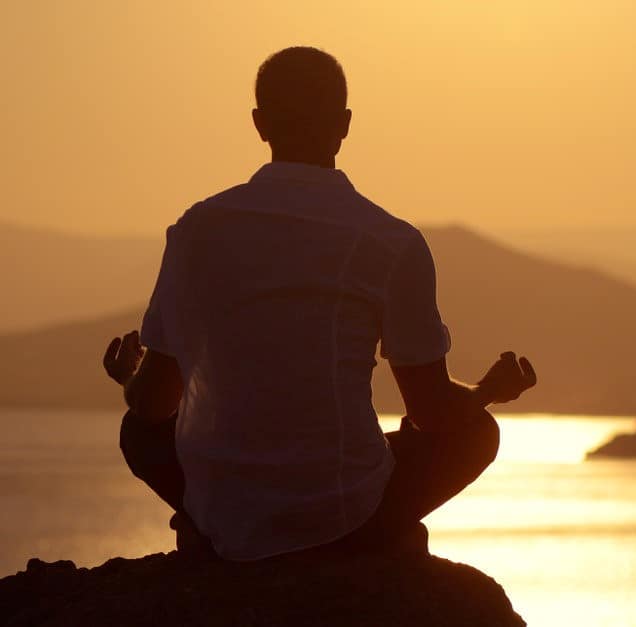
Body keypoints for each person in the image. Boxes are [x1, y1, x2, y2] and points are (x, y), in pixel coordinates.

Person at [100, 46, 536, 561]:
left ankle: (213, 528)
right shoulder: (391, 243)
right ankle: (374, 542)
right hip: (344, 517)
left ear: (260, 124)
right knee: (477, 433)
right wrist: (489, 388)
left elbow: (151, 404)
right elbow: (434, 413)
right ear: (345, 124)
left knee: (138, 431)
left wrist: (132, 374)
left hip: (225, 509)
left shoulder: (197, 230)